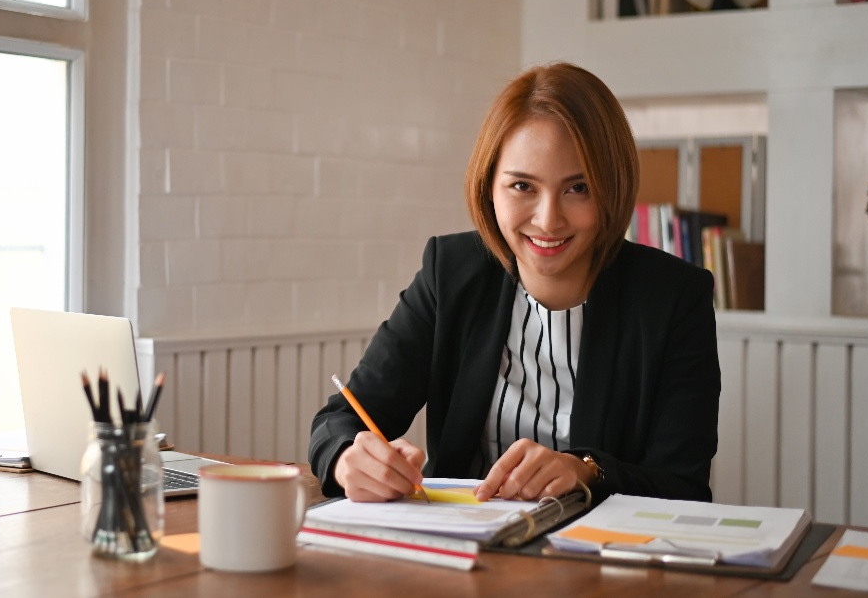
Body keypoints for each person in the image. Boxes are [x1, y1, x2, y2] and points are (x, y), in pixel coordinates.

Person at [309, 62, 720, 505]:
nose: (548, 220)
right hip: (460, 551)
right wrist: (348, 458)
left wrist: (586, 470)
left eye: (578, 188)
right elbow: (341, 420)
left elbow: (684, 486)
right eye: (523, 185)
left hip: (599, 563)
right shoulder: (450, 272)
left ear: (613, 188)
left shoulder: (674, 298)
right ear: (490, 187)